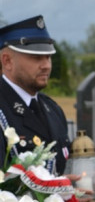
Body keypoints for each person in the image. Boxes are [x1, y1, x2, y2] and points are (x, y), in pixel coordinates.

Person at [0, 15, 72, 174]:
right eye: (36, 57)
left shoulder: (53, 110)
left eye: (48, 57)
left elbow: (62, 171)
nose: (46, 66)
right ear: (7, 61)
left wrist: (78, 187)